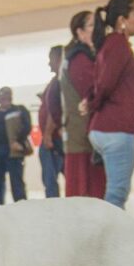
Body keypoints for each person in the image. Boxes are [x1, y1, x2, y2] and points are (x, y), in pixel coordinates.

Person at [80, 0, 134, 209]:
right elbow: (106, 83)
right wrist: (92, 103)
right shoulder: (118, 44)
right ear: (122, 20)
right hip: (115, 129)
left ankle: (110, 236)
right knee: (117, 194)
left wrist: (91, 101)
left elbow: (101, 82)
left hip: (110, 128)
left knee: (115, 192)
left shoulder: (113, 45)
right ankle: (108, 239)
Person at [60, 11, 105, 198]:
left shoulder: (81, 56)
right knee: (84, 188)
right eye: (92, 25)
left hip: (83, 133)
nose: (98, 30)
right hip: (82, 135)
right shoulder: (79, 58)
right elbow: (92, 92)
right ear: (80, 32)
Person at [0, 87, 31, 204]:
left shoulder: (19, 110)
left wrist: (19, 143)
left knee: (17, 182)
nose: (4, 98)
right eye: (2, 96)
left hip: (14, 153)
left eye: (7, 95)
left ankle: (22, 207)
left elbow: (27, 127)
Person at [38, 45, 64, 198]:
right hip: (53, 138)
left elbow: (55, 109)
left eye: (51, 59)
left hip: (53, 139)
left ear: (59, 58)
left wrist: (47, 135)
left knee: (50, 179)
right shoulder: (55, 80)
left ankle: (54, 209)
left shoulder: (60, 81)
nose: (49, 63)